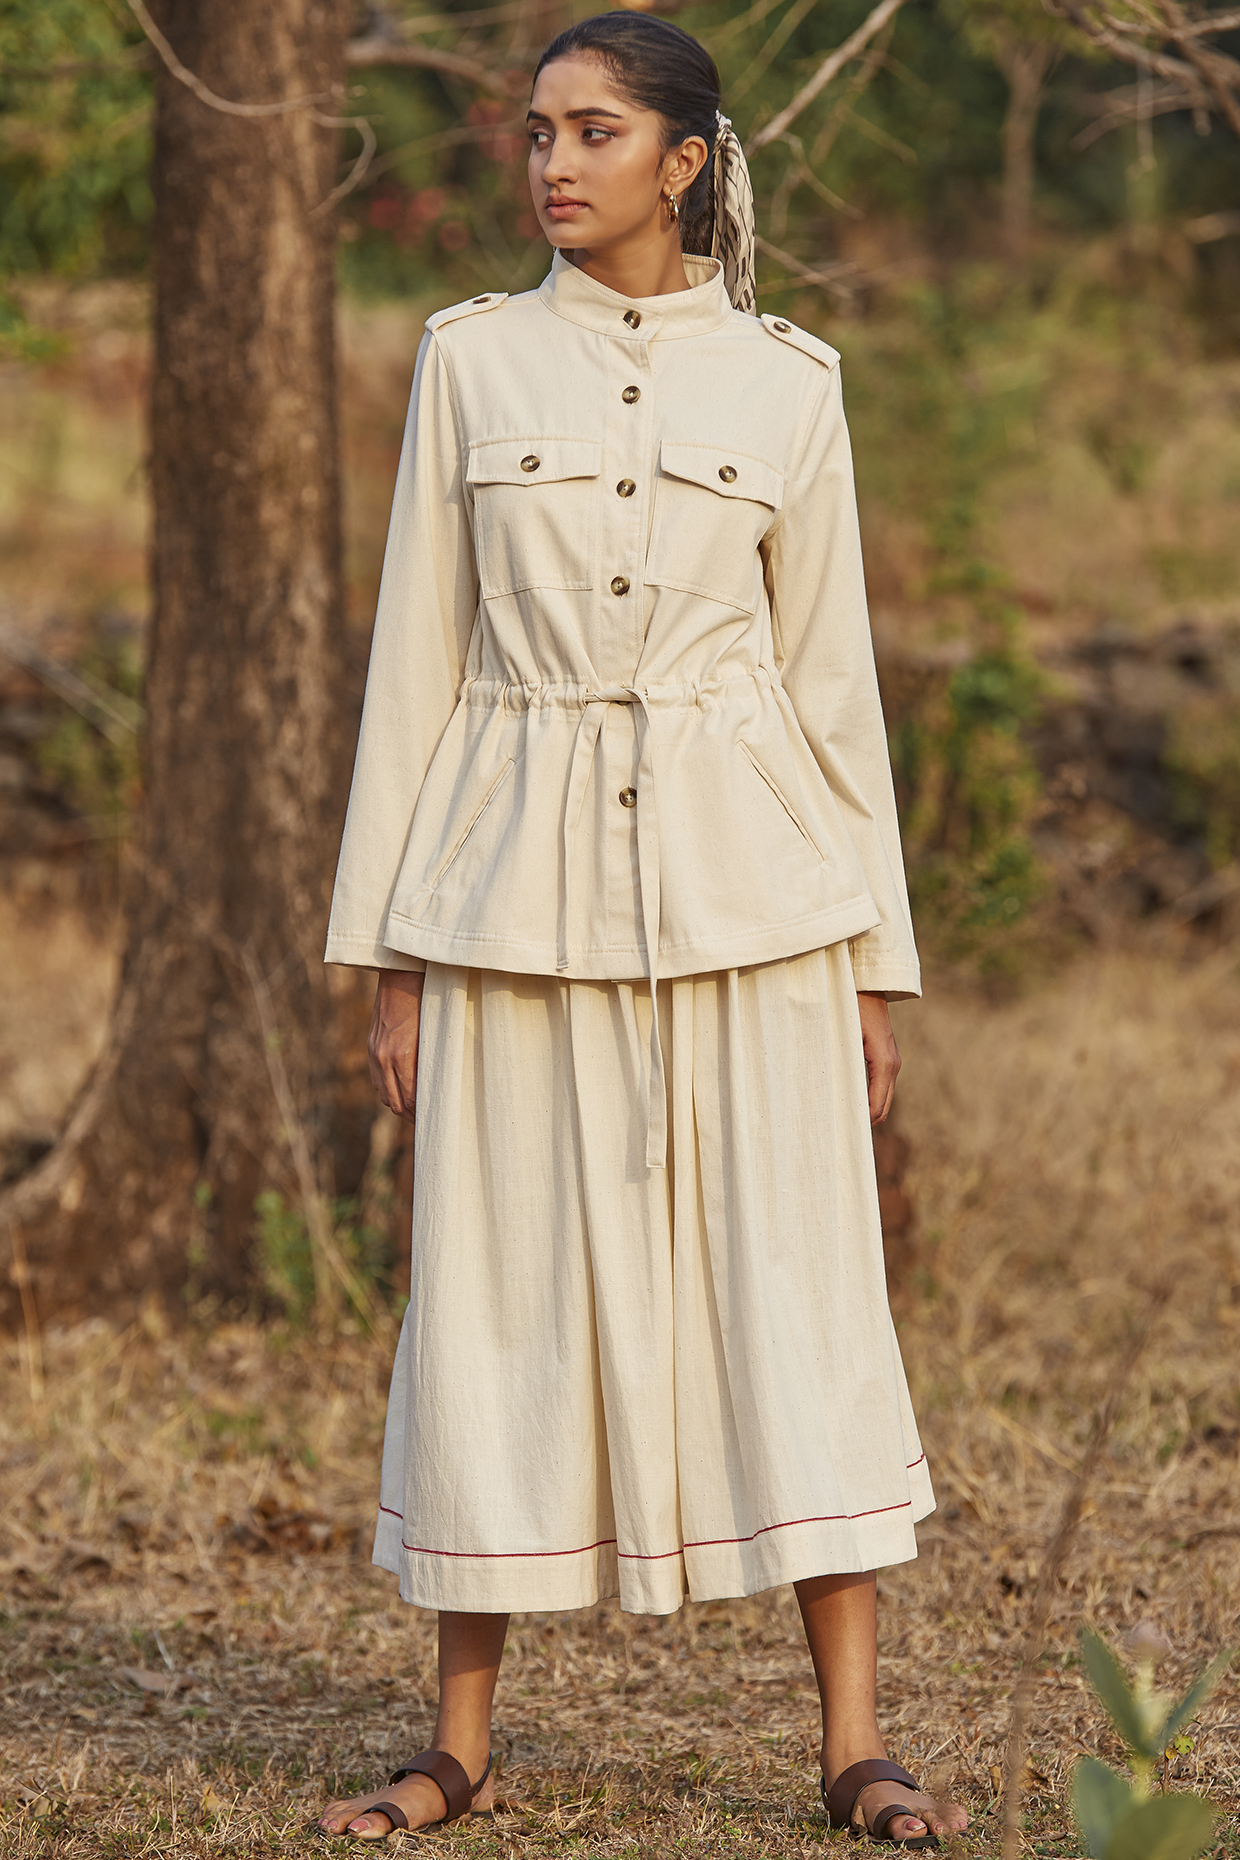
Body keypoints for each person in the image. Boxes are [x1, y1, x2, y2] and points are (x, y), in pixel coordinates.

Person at [318, 11, 967, 1848]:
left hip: (760, 906)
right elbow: (414, 667)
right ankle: (458, 1739)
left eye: (594, 132)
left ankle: (854, 1741)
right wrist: (390, 952)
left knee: (799, 1297)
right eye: (537, 132)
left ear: (686, 160)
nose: (551, 163)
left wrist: (871, 964)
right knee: (495, 1306)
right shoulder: (467, 365)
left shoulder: (789, 382)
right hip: (507, 899)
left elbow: (832, 688)